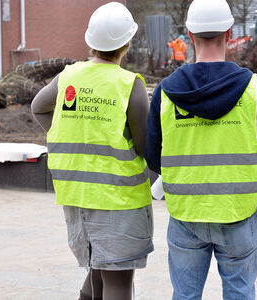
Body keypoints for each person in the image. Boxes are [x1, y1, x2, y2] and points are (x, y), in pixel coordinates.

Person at [144, 0, 257, 299]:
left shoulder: (167, 92)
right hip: (238, 213)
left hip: (186, 215)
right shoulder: (255, 89)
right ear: (230, 33)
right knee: (240, 294)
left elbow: (153, 156)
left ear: (190, 35)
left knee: (185, 295)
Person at [31, 3, 153, 300]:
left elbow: (38, 108)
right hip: (118, 199)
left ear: (90, 41)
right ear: (127, 43)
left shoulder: (68, 77)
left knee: (98, 269)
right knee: (118, 281)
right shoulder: (129, 85)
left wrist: (72, 133)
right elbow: (144, 145)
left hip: (77, 196)